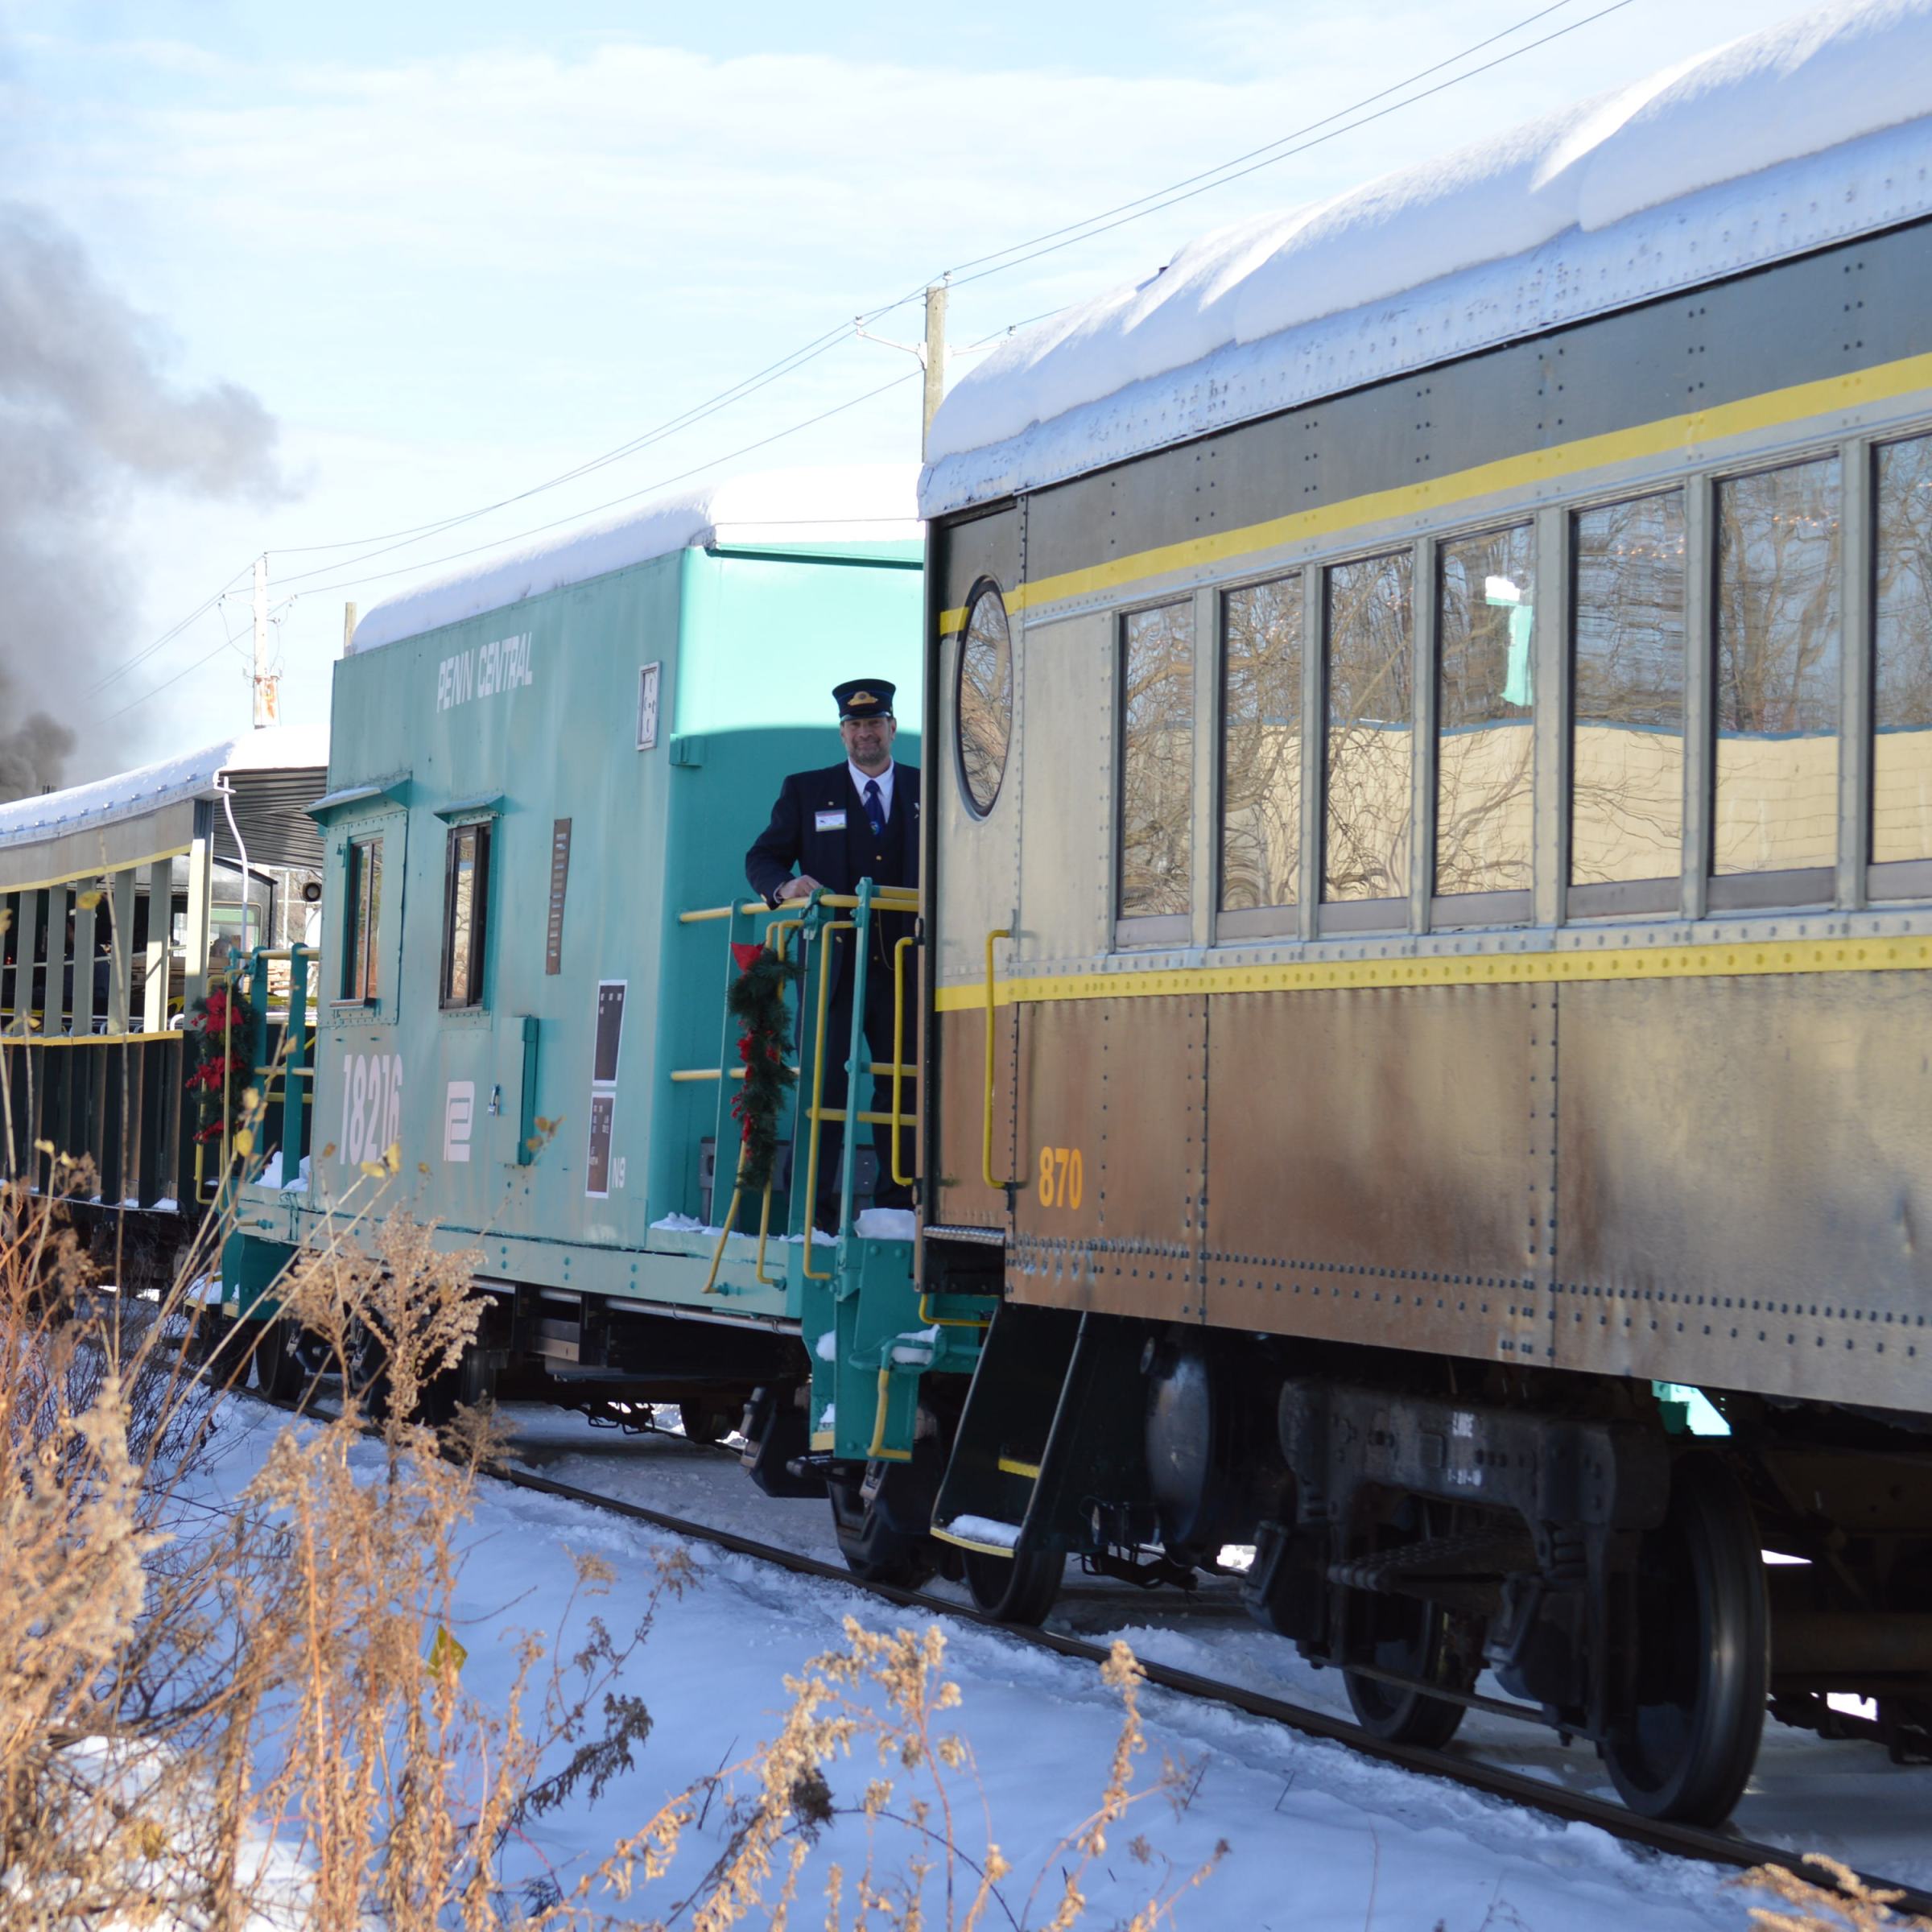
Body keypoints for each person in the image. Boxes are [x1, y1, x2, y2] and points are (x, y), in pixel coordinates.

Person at [745, 679, 919, 1231]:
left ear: (892, 729)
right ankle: (812, 1218)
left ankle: (899, 1206)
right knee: (827, 1087)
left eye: (875, 723)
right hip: (834, 968)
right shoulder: (806, 790)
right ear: (842, 733)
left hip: (906, 966)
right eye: (855, 725)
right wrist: (785, 888)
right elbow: (763, 858)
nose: (865, 734)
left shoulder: (927, 788)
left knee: (905, 1083)